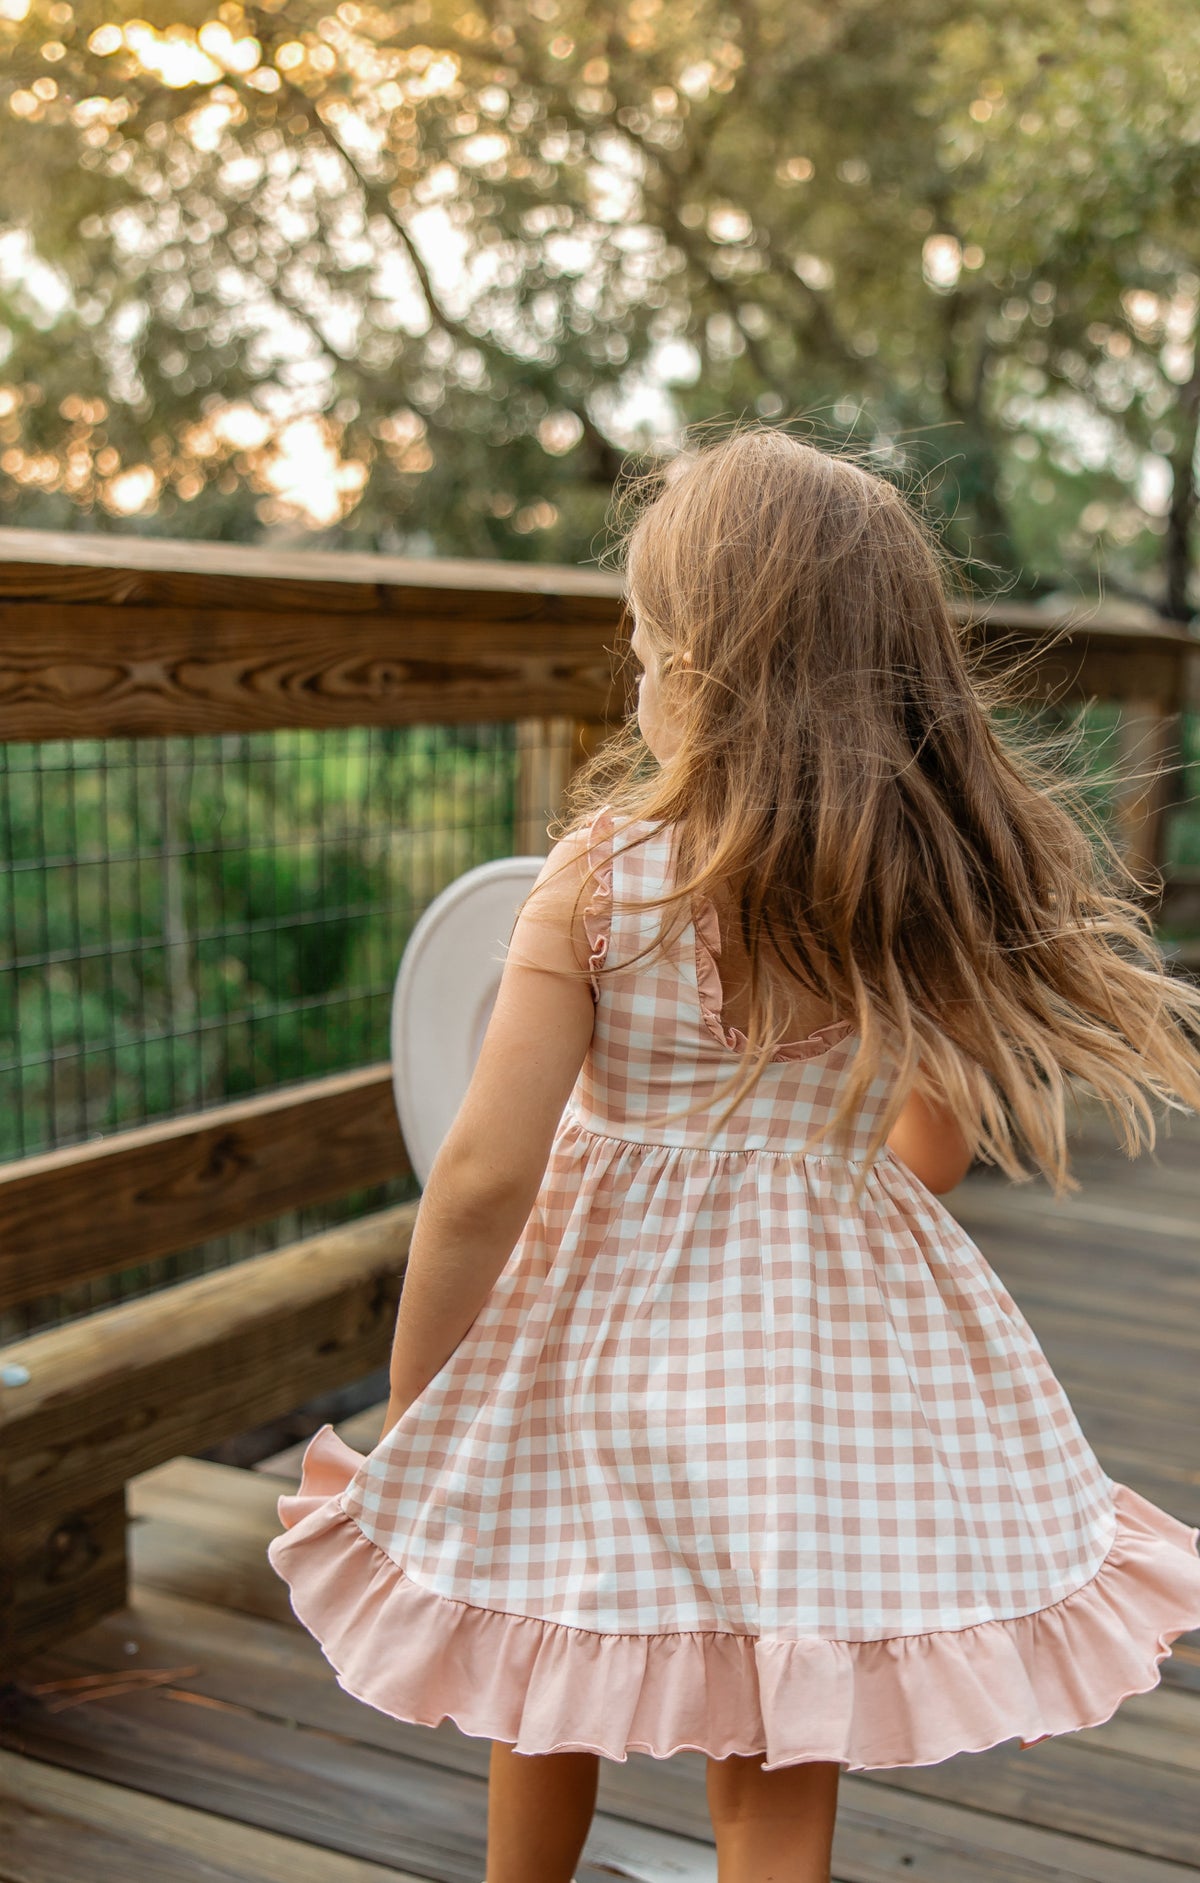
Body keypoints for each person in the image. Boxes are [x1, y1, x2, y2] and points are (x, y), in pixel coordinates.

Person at [267, 428, 1200, 1883]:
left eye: (644, 640)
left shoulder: (598, 873)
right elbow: (935, 1151)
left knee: (547, 1623)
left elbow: (483, 1178)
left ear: (699, 657)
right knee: (779, 1719)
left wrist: (420, 1404)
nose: (635, 672)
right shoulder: (893, 875)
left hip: (592, 1332)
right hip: (816, 1371)